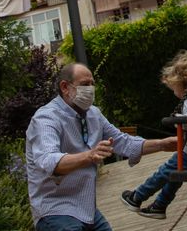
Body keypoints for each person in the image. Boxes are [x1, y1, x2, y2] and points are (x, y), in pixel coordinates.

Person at [26, 61, 177, 231]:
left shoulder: (93, 114)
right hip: (55, 210)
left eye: (92, 84)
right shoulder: (46, 119)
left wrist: (163, 144)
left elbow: (122, 141)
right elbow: (49, 161)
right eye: (84, 84)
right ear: (64, 87)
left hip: (86, 208)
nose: (90, 89)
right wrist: (89, 155)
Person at [120, 50, 187, 219]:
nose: (173, 92)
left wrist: (178, 120)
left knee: (165, 171)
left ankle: (136, 197)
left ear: (183, 84)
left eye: (174, 88)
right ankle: (160, 205)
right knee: (175, 174)